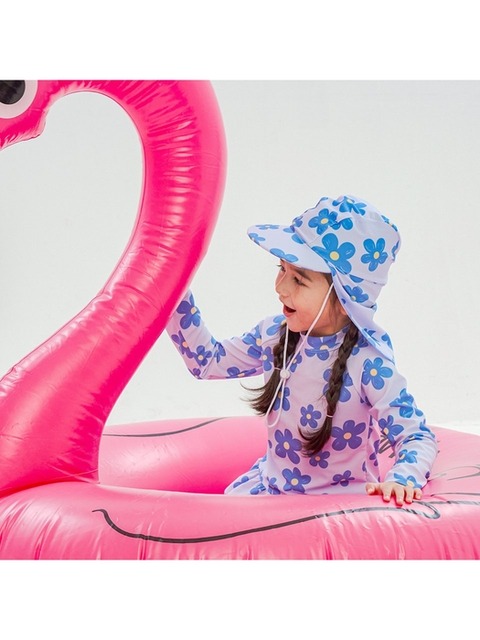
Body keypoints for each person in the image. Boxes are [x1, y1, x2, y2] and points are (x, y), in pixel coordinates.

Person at [166, 194, 438, 506]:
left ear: (346, 300)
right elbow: (207, 362)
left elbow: (416, 436)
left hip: (338, 508)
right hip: (270, 491)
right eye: (281, 269)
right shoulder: (273, 335)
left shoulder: (368, 365)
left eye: (298, 279)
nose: (280, 287)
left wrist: (402, 478)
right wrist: (175, 290)